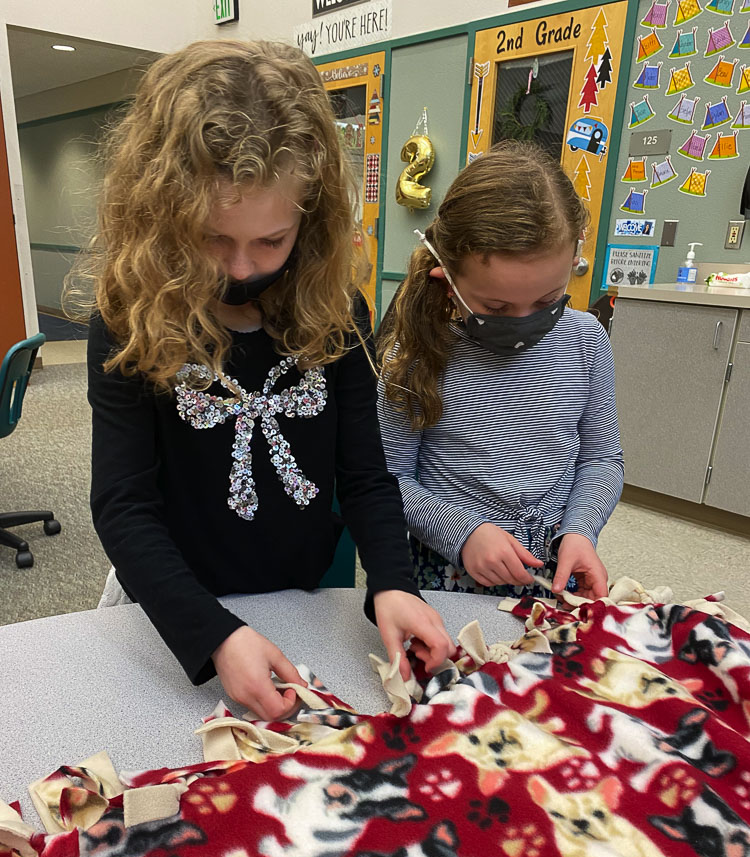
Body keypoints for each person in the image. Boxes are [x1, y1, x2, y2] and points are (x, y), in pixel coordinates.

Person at [73, 39, 454, 721]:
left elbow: (364, 475)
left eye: (271, 241)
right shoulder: (130, 318)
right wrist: (213, 635)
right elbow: (124, 508)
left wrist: (394, 586)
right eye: (213, 240)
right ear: (163, 214)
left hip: (295, 597)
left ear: (309, 222)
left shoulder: (339, 313)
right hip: (173, 611)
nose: (243, 269)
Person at [377, 142, 624, 602]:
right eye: (495, 306)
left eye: (549, 299)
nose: (524, 320)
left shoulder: (587, 340)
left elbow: (601, 460)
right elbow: (388, 479)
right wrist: (463, 533)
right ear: (445, 280)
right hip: (446, 574)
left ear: (573, 263)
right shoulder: (415, 356)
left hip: (555, 567)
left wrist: (581, 531)